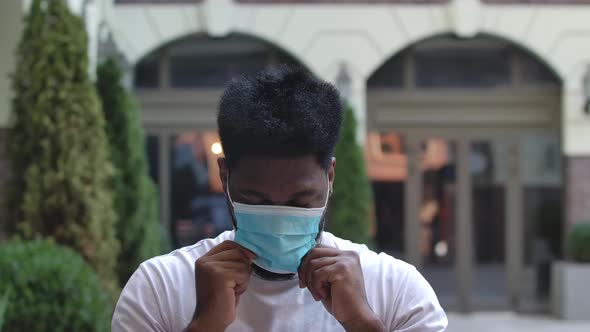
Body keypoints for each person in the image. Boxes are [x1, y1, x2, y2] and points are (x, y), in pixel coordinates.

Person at [111, 67, 448, 332]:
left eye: (301, 201)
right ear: (225, 177)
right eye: (255, 199)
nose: (280, 220)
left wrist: (362, 323)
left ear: (330, 178)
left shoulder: (396, 291)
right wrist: (203, 327)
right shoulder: (160, 288)